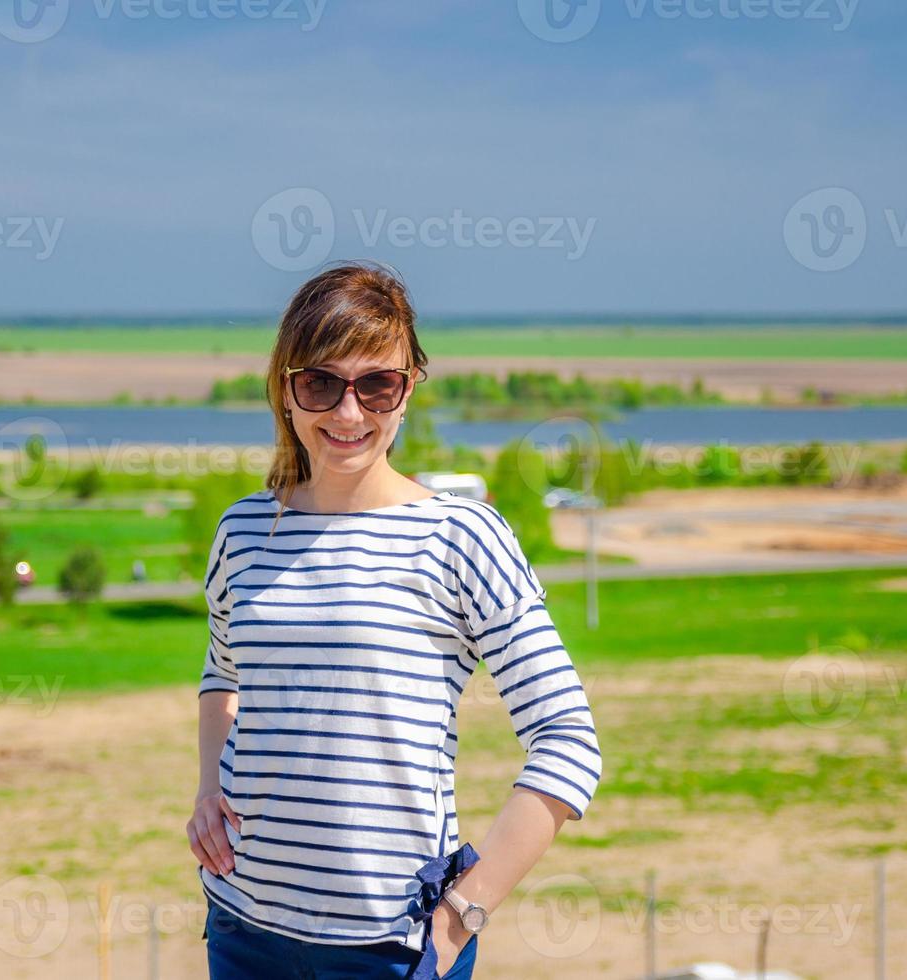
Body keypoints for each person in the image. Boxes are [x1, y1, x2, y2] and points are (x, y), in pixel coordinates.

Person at [187, 262, 603, 979]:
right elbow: (223, 672)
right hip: (243, 928)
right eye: (321, 382)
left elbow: (569, 744)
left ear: (408, 389)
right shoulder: (245, 529)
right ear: (285, 390)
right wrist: (206, 790)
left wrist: (460, 919)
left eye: (376, 384)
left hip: (391, 950)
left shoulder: (462, 537)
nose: (349, 414)